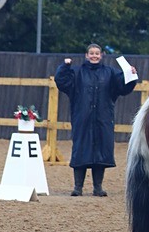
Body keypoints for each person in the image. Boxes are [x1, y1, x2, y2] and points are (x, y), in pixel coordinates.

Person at [55, 44, 138, 196]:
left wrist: (130, 75)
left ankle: (98, 187)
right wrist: (64, 67)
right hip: (82, 118)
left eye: (97, 53)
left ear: (101, 55)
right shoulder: (77, 72)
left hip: (103, 118)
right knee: (80, 150)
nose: (94, 56)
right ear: (86, 55)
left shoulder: (110, 73)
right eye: (91, 53)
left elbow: (124, 87)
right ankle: (78, 187)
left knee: (101, 152)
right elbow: (61, 82)